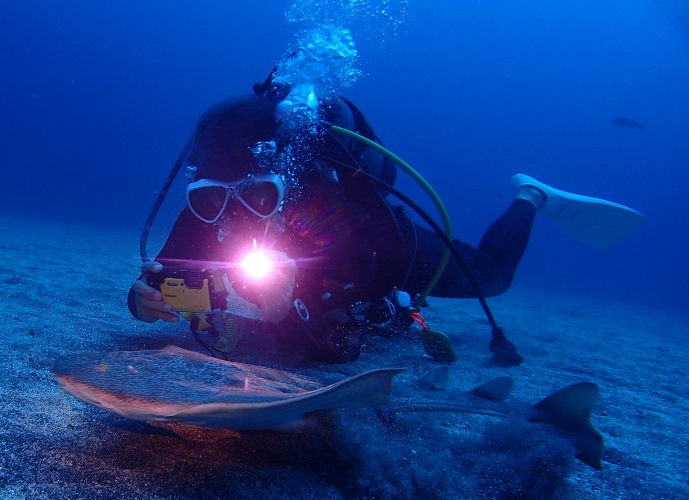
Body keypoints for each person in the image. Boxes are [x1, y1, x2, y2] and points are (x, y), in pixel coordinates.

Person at [127, 74, 642, 365]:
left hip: (387, 257)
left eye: (260, 194)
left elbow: (345, 344)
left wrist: (290, 307)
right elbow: (172, 280)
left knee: (492, 276)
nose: (235, 211)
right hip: (331, 270)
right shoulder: (210, 205)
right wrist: (146, 299)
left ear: (288, 183)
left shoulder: (337, 214)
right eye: (215, 197)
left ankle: (531, 196)